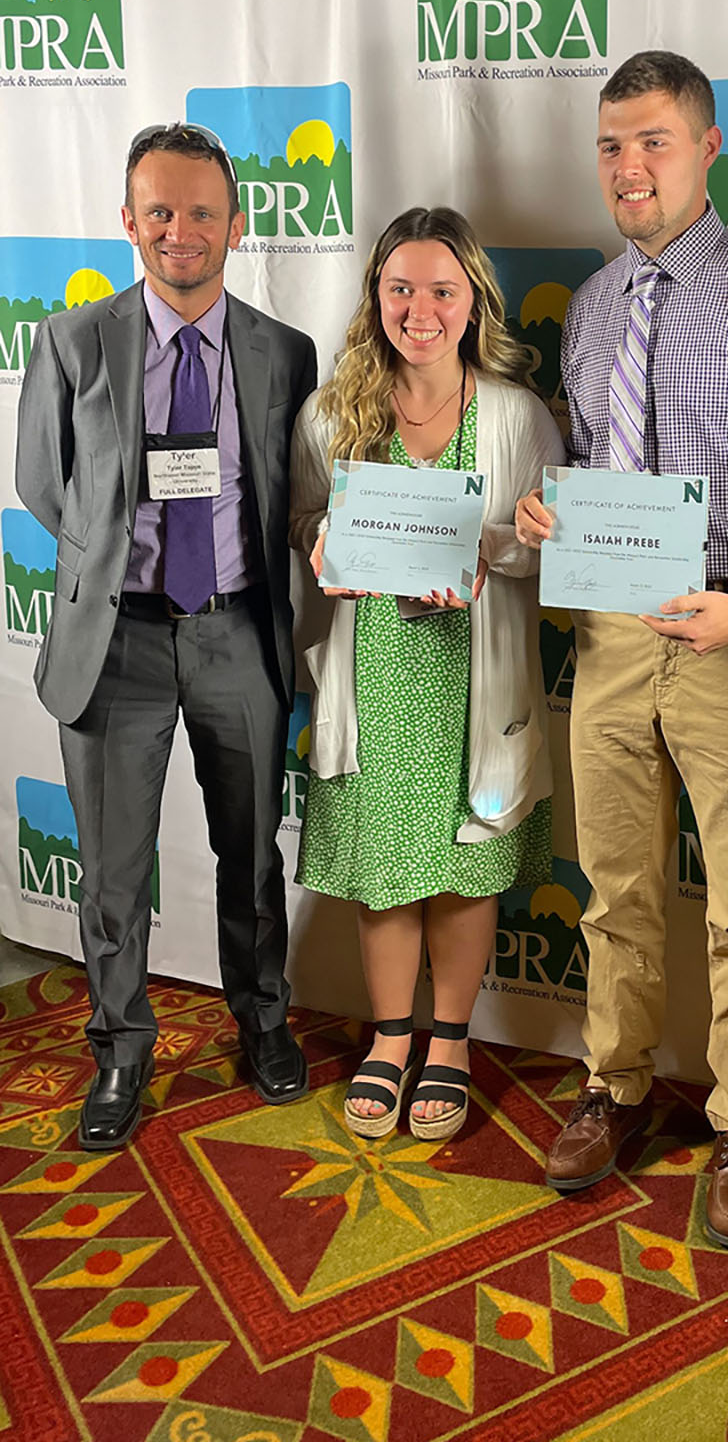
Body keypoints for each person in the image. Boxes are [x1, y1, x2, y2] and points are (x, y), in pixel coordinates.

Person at [516, 50, 728, 1248]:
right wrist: (548, 515)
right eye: (611, 144)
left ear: (710, 148)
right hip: (612, 637)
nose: (628, 166)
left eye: (653, 141)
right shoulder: (596, 305)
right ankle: (614, 1083)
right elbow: (593, 457)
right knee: (615, 884)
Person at [15, 122, 317, 1151]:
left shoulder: (285, 352)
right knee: (110, 868)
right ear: (127, 222)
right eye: (158, 212)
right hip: (118, 643)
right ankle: (122, 1049)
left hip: (237, 633)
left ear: (236, 222)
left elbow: (289, 494)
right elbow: (44, 485)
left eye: (199, 211)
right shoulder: (70, 340)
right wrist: (114, 560)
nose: (179, 232)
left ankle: (262, 1021)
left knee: (251, 854)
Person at [290, 206, 564, 1142]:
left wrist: (497, 556)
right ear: (375, 297)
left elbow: (549, 544)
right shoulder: (331, 414)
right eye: (400, 287)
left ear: (471, 300)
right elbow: (301, 524)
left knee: (462, 866)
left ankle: (451, 1041)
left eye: (441, 289)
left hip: (471, 673)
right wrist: (324, 538)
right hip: (374, 670)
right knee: (386, 870)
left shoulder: (518, 415)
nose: (420, 307)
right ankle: (391, 1035)